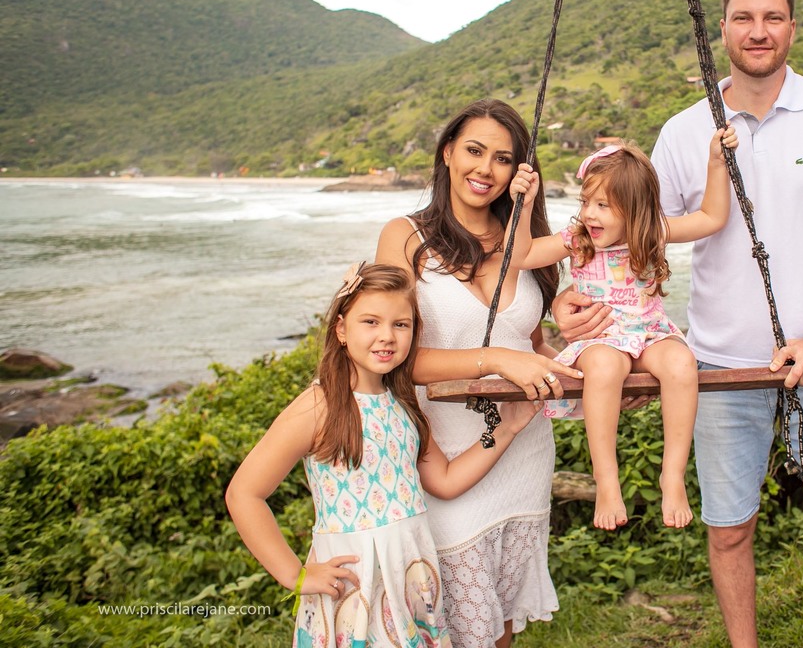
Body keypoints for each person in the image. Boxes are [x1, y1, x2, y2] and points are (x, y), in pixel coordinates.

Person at [555, 0, 803, 648]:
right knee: (730, 531)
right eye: (745, 17)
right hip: (714, 367)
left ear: (793, 28)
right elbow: (628, 239)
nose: (759, 30)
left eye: (773, 17)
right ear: (724, 30)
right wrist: (580, 305)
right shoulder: (684, 132)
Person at [225, 262, 540, 648]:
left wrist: (505, 429)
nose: (386, 336)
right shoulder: (319, 406)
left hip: (411, 578)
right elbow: (243, 493)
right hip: (355, 588)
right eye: (370, 322)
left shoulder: (405, 405)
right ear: (341, 329)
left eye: (400, 324)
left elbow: (444, 480)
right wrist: (295, 575)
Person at [375, 99, 581, 648]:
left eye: (503, 158)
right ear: (447, 153)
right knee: (456, 625)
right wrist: (494, 360)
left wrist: (596, 383)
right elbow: (396, 356)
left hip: (524, 450)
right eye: (474, 150)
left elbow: (534, 348)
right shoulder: (405, 237)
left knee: (501, 628)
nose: (485, 169)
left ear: (519, 173)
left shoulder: (529, 246)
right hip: (447, 456)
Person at [507, 130, 737, 531]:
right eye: (585, 203)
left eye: (603, 205)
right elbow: (523, 255)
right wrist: (523, 207)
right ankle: (606, 480)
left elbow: (712, 218)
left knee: (683, 363)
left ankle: (673, 474)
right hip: (603, 338)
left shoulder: (650, 233)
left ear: (635, 211)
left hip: (649, 333)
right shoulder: (577, 241)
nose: (590, 214)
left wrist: (716, 163)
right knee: (605, 367)